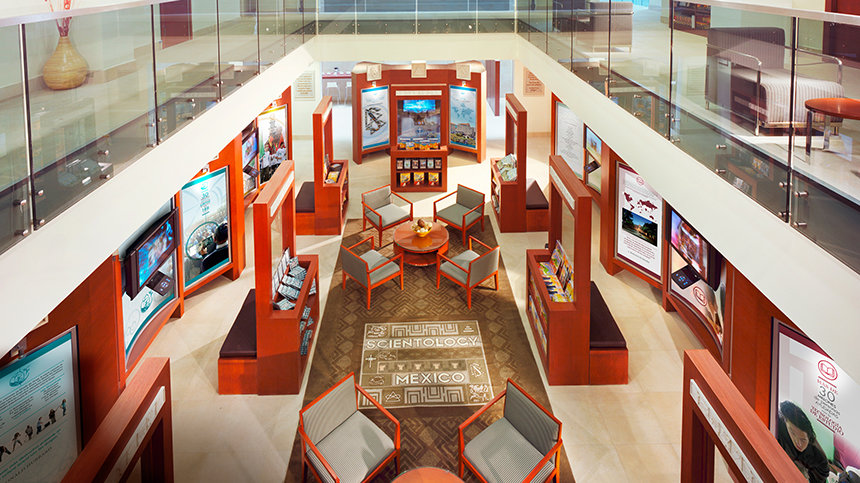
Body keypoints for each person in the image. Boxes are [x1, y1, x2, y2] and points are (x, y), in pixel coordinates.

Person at [777, 400, 830, 483]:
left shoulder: (819, 459)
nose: (798, 443)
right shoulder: (778, 426)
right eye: (793, 433)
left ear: (809, 438)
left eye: (803, 439)